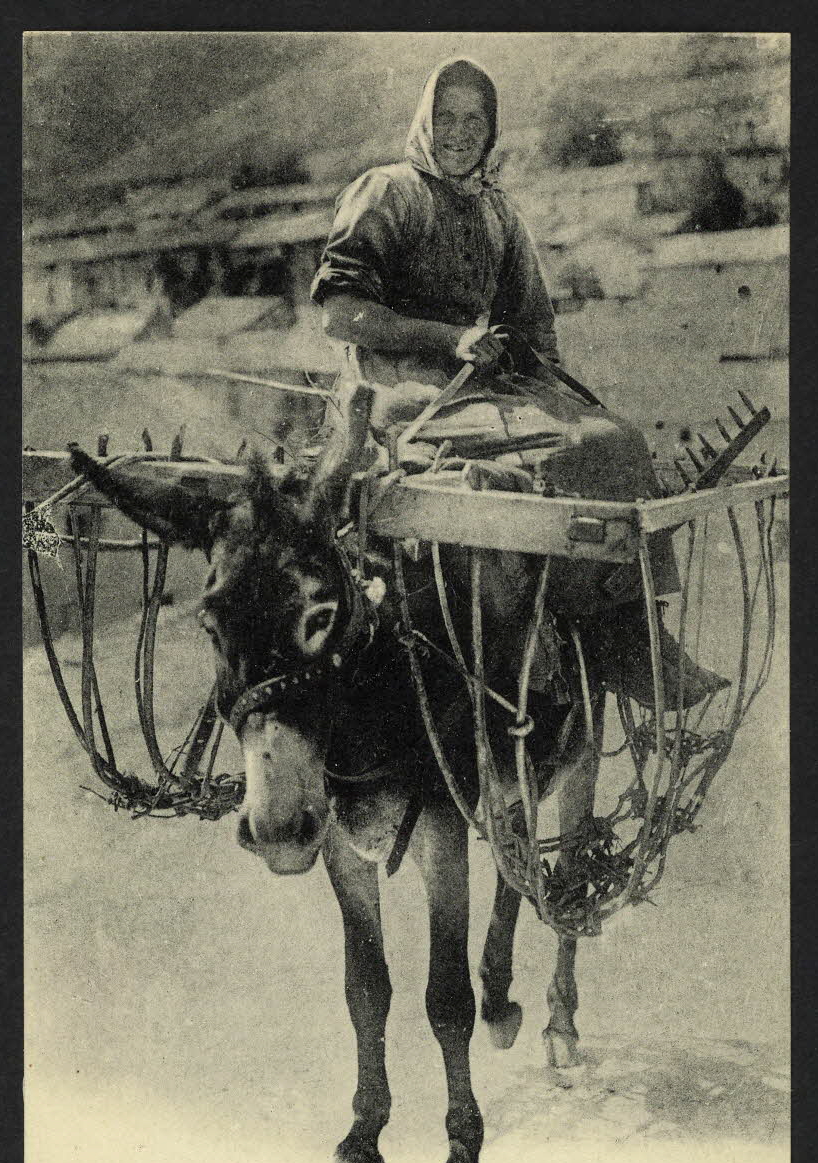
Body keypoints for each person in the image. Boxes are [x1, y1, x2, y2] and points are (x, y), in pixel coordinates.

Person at [311, 57, 727, 710]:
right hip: (404, 393)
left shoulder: (496, 211)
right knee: (560, 458)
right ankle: (554, 630)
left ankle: (628, 626)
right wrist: (447, 340)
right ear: (424, 119)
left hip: (481, 393)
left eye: (473, 119)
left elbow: (532, 319)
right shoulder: (386, 192)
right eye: (445, 116)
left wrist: (548, 388)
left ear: (491, 128)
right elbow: (341, 314)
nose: (458, 132)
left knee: (614, 441)